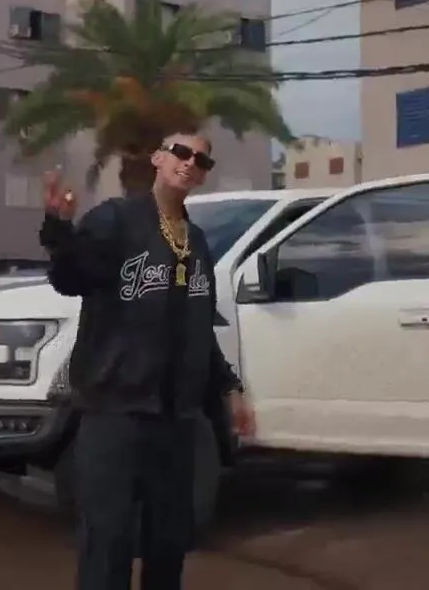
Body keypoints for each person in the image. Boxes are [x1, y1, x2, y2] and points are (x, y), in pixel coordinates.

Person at [38, 132, 256, 590]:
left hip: (178, 422)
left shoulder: (197, 242)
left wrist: (229, 387)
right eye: (181, 152)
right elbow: (72, 277)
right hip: (115, 414)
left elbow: (198, 328)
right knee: (108, 543)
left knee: (168, 544)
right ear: (157, 158)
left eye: (202, 160)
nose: (190, 162)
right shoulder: (116, 219)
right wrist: (58, 228)